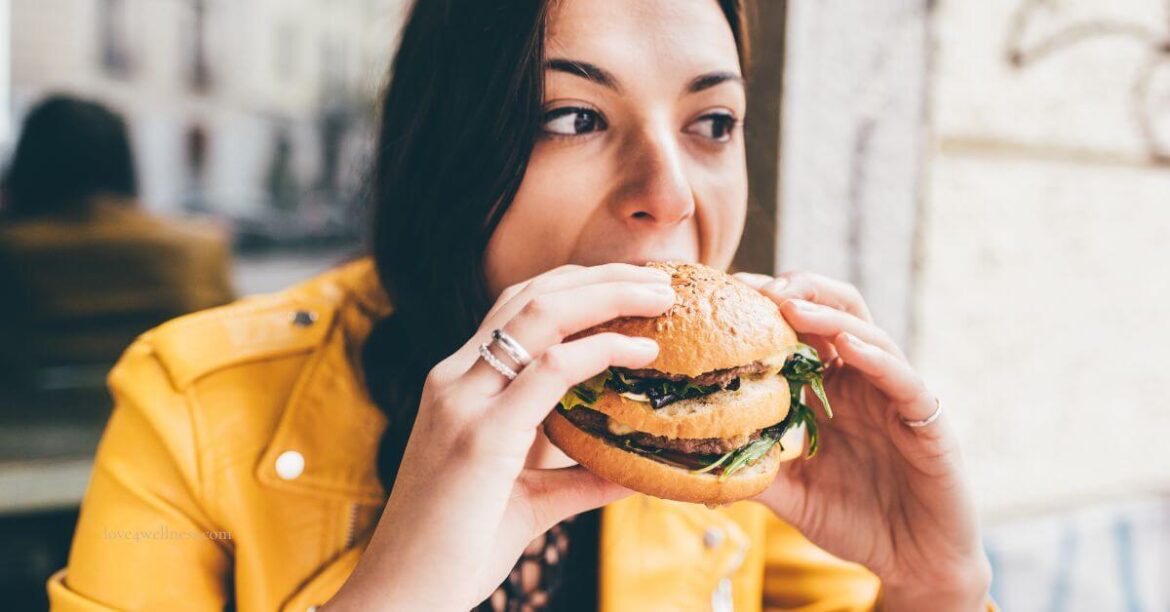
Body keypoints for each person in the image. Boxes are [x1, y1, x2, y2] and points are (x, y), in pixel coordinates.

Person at [47, 1, 995, 610]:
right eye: (574, 117)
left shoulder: (735, 444)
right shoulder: (192, 399)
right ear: (449, 149)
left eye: (712, 123)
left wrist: (933, 584)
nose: (669, 194)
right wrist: (401, 589)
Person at [0, 94, 234, 383]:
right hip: (163, 422)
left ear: (29, 162)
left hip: (22, 424)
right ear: (124, 160)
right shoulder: (201, 248)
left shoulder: (13, 252)